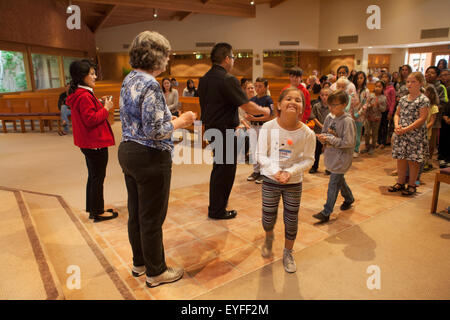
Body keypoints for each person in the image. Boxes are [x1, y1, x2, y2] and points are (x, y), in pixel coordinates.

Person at [118, 31, 196, 288]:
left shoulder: (129, 78)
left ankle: (140, 263)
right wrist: (182, 121)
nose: (169, 58)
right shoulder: (151, 84)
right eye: (167, 54)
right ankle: (156, 272)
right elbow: (154, 129)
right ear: (156, 56)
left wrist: (169, 121)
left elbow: (137, 121)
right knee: (151, 217)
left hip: (129, 151)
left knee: (136, 214)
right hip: (150, 157)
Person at [198, 42, 270, 220]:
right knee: (225, 171)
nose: (233, 61)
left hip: (211, 129)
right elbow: (246, 105)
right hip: (224, 131)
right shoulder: (227, 79)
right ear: (226, 59)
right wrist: (265, 111)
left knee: (219, 169)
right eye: (233, 57)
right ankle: (217, 210)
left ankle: (216, 205)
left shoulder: (205, 78)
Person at [256, 87, 315, 273]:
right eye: (288, 98)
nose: (293, 102)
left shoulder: (307, 133)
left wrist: (289, 172)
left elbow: (309, 159)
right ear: (279, 105)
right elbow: (260, 154)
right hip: (270, 180)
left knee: (291, 219)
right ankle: (269, 235)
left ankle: (288, 252)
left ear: (302, 108)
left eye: (298, 100)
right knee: (268, 218)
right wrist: (275, 171)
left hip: (293, 182)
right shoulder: (268, 127)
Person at [66, 59, 117, 223]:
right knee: (97, 178)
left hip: (89, 143)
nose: (95, 76)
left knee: (93, 177)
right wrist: (106, 108)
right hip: (95, 143)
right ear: (82, 76)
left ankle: (93, 209)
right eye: (92, 73)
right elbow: (91, 119)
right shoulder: (84, 96)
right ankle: (98, 212)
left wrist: (98, 103)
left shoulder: (81, 93)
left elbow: (87, 113)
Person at [313, 90, 356, 222]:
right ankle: (349, 198)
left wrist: (330, 139)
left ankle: (327, 212)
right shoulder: (329, 118)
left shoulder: (347, 121)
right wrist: (322, 138)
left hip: (342, 157)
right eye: (330, 105)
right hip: (332, 155)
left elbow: (348, 142)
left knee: (333, 183)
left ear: (344, 104)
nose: (331, 108)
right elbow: (325, 133)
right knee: (338, 180)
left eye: (334, 105)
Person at [389, 72, 429, 196]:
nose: (409, 84)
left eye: (413, 82)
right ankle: (400, 182)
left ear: (420, 83)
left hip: (414, 134)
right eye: (408, 82)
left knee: (413, 160)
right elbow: (397, 114)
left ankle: (412, 184)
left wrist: (406, 129)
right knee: (401, 158)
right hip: (401, 133)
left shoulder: (423, 99)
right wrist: (397, 126)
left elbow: (422, 118)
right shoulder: (403, 99)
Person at [246, 77, 274, 184]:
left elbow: (269, 116)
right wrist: (249, 117)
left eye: (260, 86)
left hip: (263, 127)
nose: (257, 88)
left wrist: (254, 118)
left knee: (263, 150)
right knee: (254, 150)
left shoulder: (268, 99)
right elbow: (248, 112)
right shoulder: (252, 100)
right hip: (253, 127)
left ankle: (264, 172)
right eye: (256, 86)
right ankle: (256, 171)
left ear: (266, 87)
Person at [425, 66, 448, 168]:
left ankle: (428, 161)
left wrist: (432, 106)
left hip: (434, 119)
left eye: (432, 73)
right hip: (423, 118)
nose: (429, 74)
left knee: (431, 143)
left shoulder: (440, 87)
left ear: (437, 76)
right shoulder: (422, 85)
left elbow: (444, 103)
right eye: (427, 72)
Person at [361, 80, 387, 155]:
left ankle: (372, 147)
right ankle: (367, 146)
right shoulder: (371, 96)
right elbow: (366, 105)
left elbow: (384, 109)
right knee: (367, 133)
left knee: (375, 133)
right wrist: (370, 105)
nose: (377, 88)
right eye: (376, 86)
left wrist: (379, 106)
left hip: (376, 118)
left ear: (383, 88)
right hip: (368, 117)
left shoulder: (383, 98)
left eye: (379, 87)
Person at [309, 87, 331, 173]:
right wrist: (321, 125)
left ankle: (329, 168)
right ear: (320, 96)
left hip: (329, 132)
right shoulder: (316, 106)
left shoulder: (332, 106)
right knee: (317, 150)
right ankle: (314, 166)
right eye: (322, 95)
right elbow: (313, 117)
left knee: (328, 150)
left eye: (327, 95)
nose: (324, 97)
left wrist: (327, 127)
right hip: (318, 131)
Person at [351, 71, 369, 158]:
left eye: (361, 78)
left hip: (360, 115)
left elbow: (366, 104)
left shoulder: (366, 91)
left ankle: (356, 149)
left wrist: (358, 114)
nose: (359, 80)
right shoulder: (352, 89)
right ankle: (350, 148)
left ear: (364, 79)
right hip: (351, 114)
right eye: (357, 78)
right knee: (350, 133)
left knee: (357, 133)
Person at [423, 84, 440, 172]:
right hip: (421, 128)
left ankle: (427, 162)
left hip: (428, 129)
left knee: (429, 146)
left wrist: (425, 128)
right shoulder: (422, 105)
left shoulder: (434, 107)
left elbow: (432, 121)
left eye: (427, 93)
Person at [379, 72, 395, 148]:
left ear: (389, 78)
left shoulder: (391, 89)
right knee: (379, 125)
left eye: (386, 77)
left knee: (385, 126)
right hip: (380, 109)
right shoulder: (381, 87)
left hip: (387, 110)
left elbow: (393, 101)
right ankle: (378, 141)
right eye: (383, 77)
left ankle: (383, 142)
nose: (384, 78)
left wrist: (390, 112)